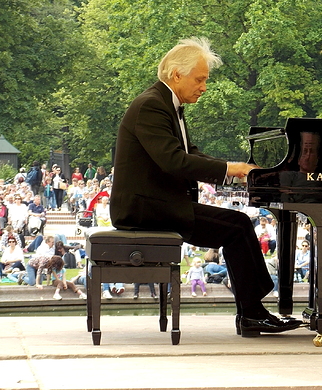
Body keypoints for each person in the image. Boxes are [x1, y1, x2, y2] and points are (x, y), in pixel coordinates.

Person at [109, 37, 301, 337]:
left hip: (157, 203)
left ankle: (253, 311)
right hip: (144, 208)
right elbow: (174, 161)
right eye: (200, 79)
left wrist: (234, 171)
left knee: (237, 225)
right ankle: (252, 313)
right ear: (177, 74)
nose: (204, 87)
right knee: (237, 226)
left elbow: (191, 152)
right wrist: (231, 169)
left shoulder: (167, 105)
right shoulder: (151, 106)